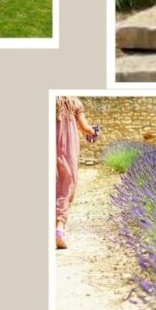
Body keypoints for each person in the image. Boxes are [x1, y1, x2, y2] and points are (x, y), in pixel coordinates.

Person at [55, 96, 98, 249]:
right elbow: (85, 128)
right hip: (65, 149)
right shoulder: (72, 102)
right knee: (65, 184)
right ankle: (59, 229)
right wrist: (94, 132)